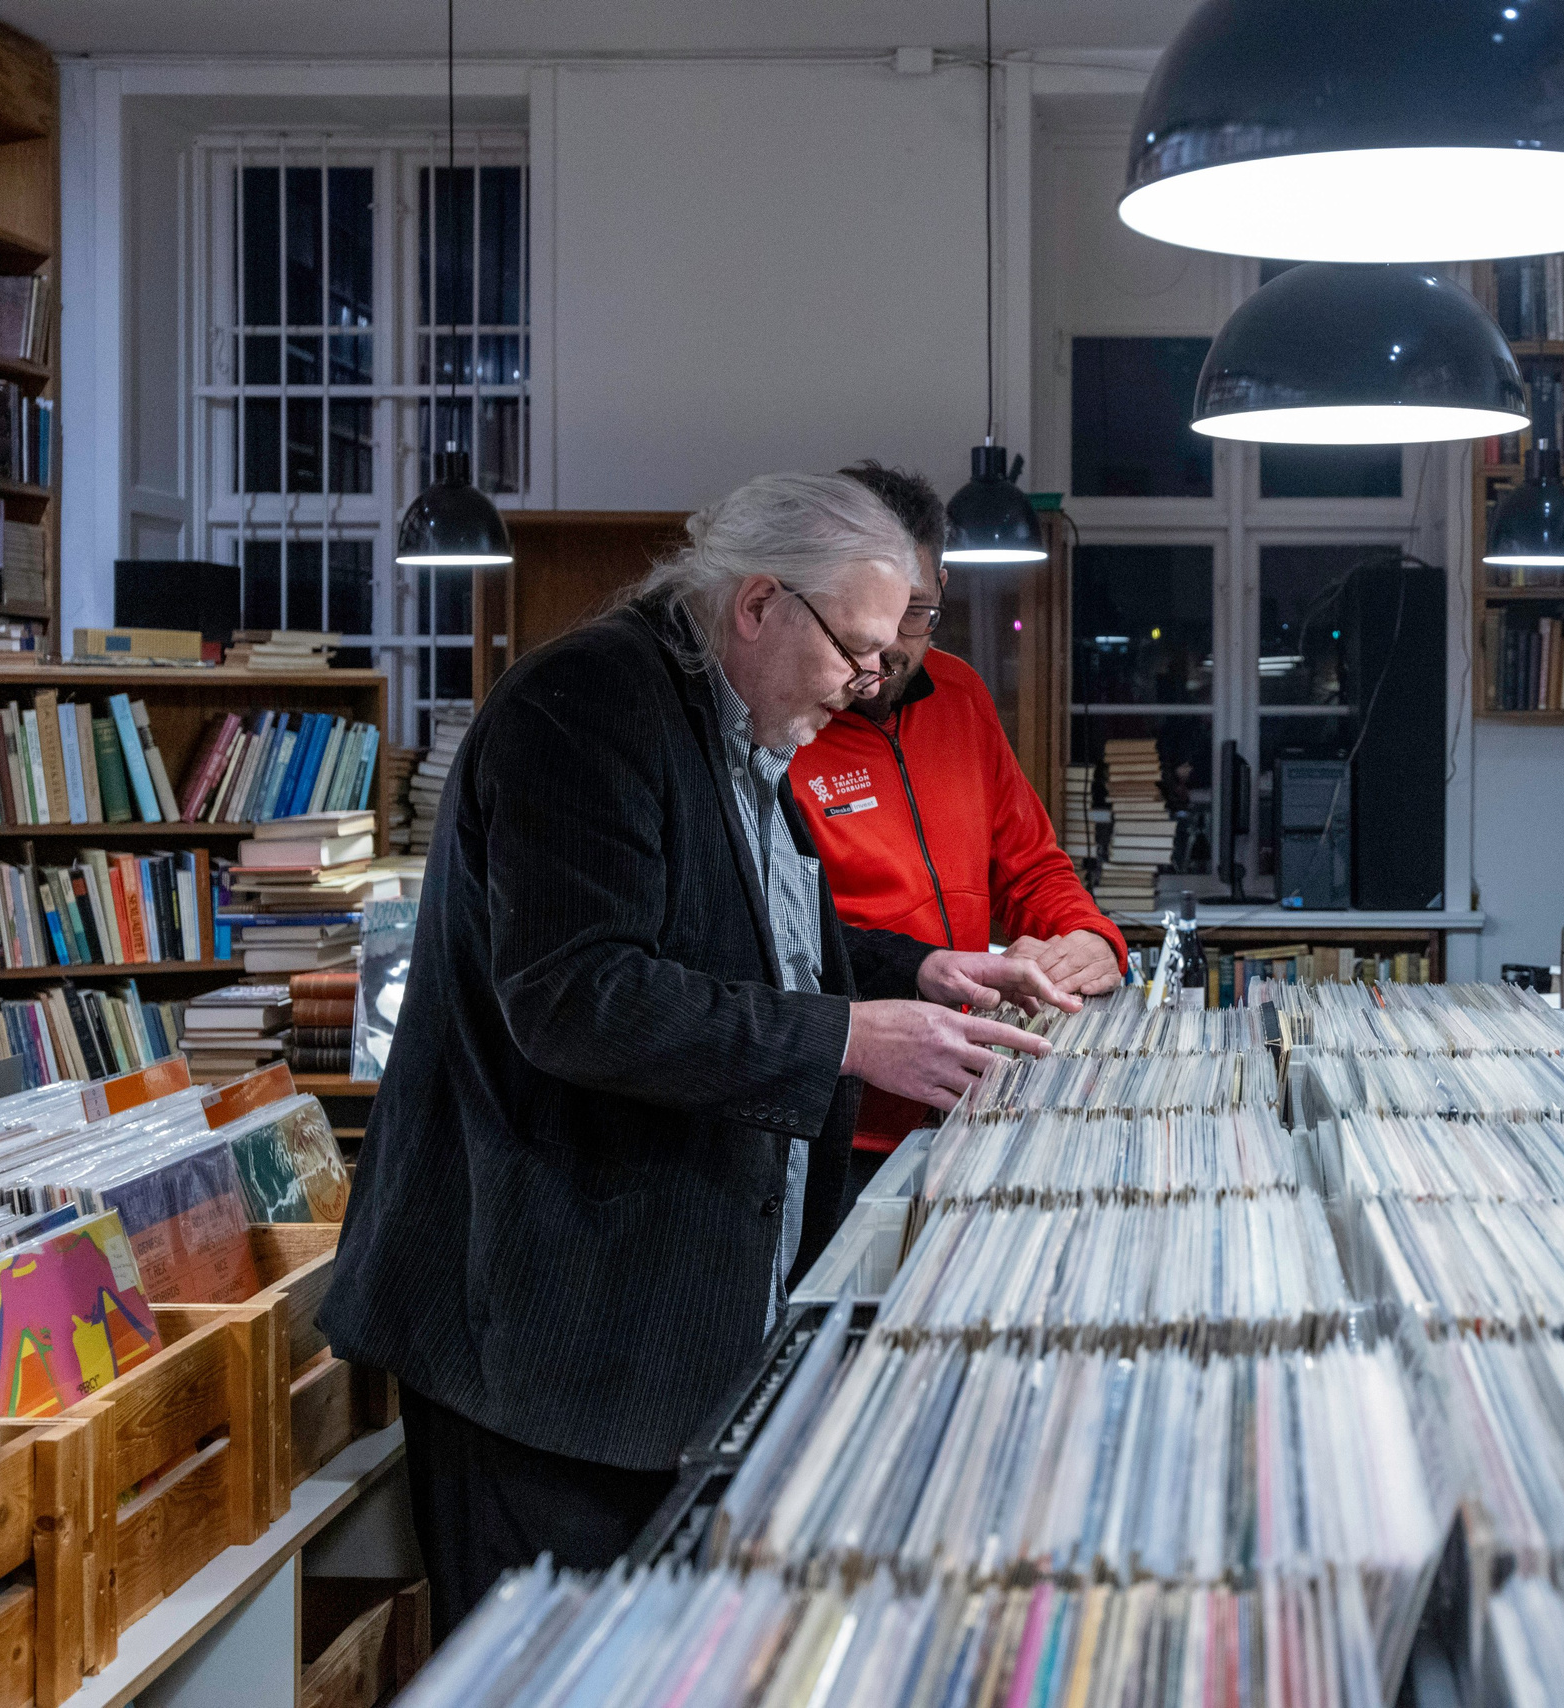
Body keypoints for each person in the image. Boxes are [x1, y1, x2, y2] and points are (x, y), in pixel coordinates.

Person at [320, 471, 1079, 1640]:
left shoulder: (742, 717)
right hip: (545, 1333)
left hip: (652, 1328)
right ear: (759, 604)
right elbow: (579, 996)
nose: (875, 680)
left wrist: (911, 972)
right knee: (552, 1668)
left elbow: (743, 939)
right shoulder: (583, 707)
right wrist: (846, 1039)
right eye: (857, 648)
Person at [790, 462, 1128, 1206]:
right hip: (835, 1126)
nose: (890, 649)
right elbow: (779, 938)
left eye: (917, 612)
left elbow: (1031, 865)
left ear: (942, 585)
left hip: (969, 1106)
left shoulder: (964, 694)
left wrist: (1090, 938)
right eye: (872, 620)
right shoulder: (785, 719)